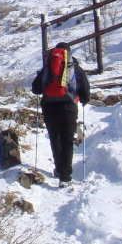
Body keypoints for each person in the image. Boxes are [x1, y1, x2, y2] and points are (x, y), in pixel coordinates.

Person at [31, 43, 90, 187]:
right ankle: (65, 177)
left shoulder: (47, 68)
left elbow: (35, 88)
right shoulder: (75, 69)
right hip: (69, 107)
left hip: (49, 106)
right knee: (67, 140)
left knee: (55, 138)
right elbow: (85, 93)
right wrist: (82, 100)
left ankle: (58, 169)